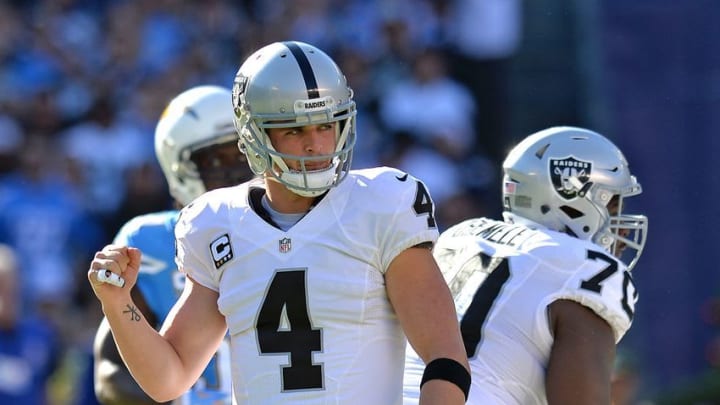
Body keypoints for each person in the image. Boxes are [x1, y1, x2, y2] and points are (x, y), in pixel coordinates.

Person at [87, 41, 470, 404]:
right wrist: (117, 304)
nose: (316, 145)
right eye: (294, 130)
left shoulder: (381, 204)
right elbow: (168, 377)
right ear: (254, 134)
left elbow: (446, 358)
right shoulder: (216, 224)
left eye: (326, 125)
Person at [404, 126, 648, 404]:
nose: (622, 228)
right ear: (570, 201)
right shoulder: (584, 269)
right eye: (612, 207)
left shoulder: (459, 235)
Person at [92, 85, 255, 404]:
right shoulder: (149, 244)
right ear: (181, 168)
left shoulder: (289, 229)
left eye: (243, 154)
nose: (237, 171)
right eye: (218, 161)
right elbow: (112, 373)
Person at [0, 243, 61, 404]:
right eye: (1, 286)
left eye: (11, 286)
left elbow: (50, 391)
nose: (6, 295)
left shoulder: (41, 334)